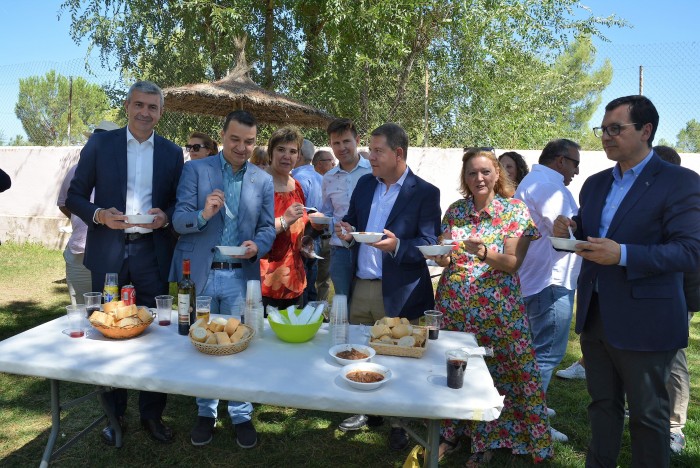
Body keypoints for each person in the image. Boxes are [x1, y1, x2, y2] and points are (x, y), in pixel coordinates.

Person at [553, 95, 700, 468]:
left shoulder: (679, 183)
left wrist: (623, 254)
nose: (606, 136)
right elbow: (594, 234)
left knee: (648, 419)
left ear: (646, 130)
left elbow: (689, 252)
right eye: (603, 129)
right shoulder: (596, 183)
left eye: (616, 128)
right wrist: (571, 229)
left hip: (647, 320)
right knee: (602, 407)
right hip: (596, 313)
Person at [66, 80, 184, 446]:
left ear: (161, 113)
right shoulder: (101, 144)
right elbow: (74, 196)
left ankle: (152, 414)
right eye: (139, 105)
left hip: (151, 253)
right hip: (110, 251)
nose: (145, 112)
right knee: (109, 330)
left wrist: (165, 217)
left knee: (156, 331)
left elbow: (177, 202)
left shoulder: (171, 152)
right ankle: (114, 415)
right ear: (127, 106)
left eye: (153, 107)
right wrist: (99, 214)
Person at [429, 148, 551, 466]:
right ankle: (452, 432)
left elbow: (513, 263)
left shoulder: (514, 211)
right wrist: (440, 256)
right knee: (455, 369)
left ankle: (492, 439)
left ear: (497, 174)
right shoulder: (455, 211)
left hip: (499, 313)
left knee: (501, 373)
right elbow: (446, 254)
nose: (478, 178)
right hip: (454, 308)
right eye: (472, 173)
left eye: (485, 171)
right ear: (465, 178)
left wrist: (483, 252)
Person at [170, 110, 274, 448]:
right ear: (223, 135)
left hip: (238, 276)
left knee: (239, 346)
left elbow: (268, 228)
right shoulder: (195, 170)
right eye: (235, 139)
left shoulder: (263, 179)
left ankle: (241, 413)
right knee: (202, 343)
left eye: (249, 141)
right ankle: (206, 411)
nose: (242, 147)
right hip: (199, 276)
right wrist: (203, 214)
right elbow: (178, 220)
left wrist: (256, 245)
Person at [335, 123, 441, 450]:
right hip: (362, 284)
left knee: (398, 357)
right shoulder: (366, 184)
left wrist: (396, 246)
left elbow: (428, 243)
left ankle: (399, 421)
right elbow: (353, 220)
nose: (370, 156)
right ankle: (366, 411)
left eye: (377, 150)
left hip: (398, 289)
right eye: (370, 149)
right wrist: (347, 231)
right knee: (359, 352)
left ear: (398, 153)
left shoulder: (425, 192)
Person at [514, 138, 583, 443]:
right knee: (546, 356)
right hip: (551, 281)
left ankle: (529, 406)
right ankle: (532, 424)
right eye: (574, 163)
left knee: (532, 353)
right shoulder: (550, 186)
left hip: (535, 280)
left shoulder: (533, 181)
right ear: (560, 160)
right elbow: (564, 232)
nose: (576, 172)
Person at [653, 144, 700, 455]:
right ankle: (652, 409)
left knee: (673, 359)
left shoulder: (686, 195)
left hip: (680, 292)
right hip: (646, 291)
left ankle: (674, 426)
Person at [57, 120, 120, 305]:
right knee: (81, 307)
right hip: (80, 250)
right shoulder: (76, 170)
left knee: (112, 308)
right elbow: (65, 203)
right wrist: (85, 219)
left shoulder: (123, 173)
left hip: (112, 252)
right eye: (94, 139)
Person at [316, 118, 371, 296]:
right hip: (340, 249)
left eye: (346, 141)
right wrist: (318, 220)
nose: (342, 147)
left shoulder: (373, 171)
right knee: (342, 300)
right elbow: (328, 213)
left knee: (368, 301)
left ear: (358, 140)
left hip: (369, 246)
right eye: (336, 143)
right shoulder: (328, 177)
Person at [259, 127, 308, 309]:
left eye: (292, 151)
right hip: (265, 278)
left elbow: (301, 225)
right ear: (271, 152)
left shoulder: (297, 186)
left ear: (298, 157)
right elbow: (250, 230)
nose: (287, 156)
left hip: (295, 279)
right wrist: (284, 220)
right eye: (281, 149)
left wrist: (313, 231)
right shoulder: (258, 183)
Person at [291, 139, 323, 305]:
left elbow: (298, 213)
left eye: (293, 151)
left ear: (300, 155)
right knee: (311, 284)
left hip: (302, 238)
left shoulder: (298, 179)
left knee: (301, 286)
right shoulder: (319, 177)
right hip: (315, 238)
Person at [311, 150, 335, 301]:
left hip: (329, 237)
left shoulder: (334, 180)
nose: (334, 164)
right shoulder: (309, 180)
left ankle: (322, 312)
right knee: (311, 277)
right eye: (330, 161)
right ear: (319, 163)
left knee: (324, 281)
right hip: (313, 237)